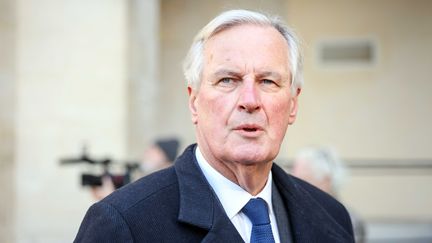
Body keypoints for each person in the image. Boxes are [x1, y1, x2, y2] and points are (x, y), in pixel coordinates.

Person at [74, 9, 354, 242]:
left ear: (292, 103)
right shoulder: (122, 224)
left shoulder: (331, 216)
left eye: (268, 81)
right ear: (194, 102)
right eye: (228, 80)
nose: (250, 101)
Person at [292, 146, 366, 243]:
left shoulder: (348, 220)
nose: (295, 188)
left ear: (326, 181)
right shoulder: (294, 213)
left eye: (303, 181)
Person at [89, 138, 180, 201]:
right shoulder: (148, 179)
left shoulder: (168, 185)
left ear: (164, 157)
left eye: (153, 151)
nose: (146, 153)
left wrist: (109, 197)